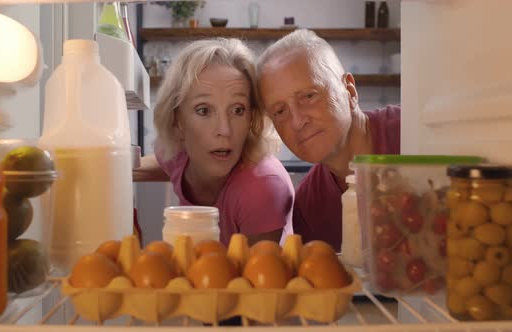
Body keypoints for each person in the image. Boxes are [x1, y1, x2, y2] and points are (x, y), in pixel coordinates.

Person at [134, 38, 294, 246]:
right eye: (204, 110)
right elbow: (165, 163)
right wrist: (111, 166)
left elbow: (255, 276)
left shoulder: (261, 188)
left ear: (252, 118)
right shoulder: (179, 153)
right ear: (177, 122)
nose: (224, 131)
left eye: (238, 110)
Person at [256, 29, 401, 250]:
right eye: (280, 111)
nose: (297, 121)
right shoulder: (308, 208)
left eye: (309, 96)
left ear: (350, 91)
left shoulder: (413, 132)